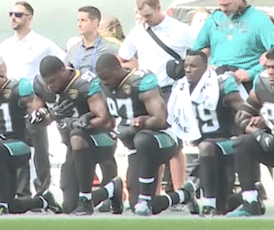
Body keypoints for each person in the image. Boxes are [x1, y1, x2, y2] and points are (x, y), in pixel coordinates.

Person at [93, 54, 195, 215]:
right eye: (101, 78)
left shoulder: (140, 80)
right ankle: (184, 194)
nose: (105, 82)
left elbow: (161, 119)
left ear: (118, 68)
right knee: (139, 207)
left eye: (107, 77)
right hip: (136, 148)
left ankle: (145, 199)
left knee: (143, 139)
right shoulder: (103, 86)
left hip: (162, 139)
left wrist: (142, 121)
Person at [0, 1, 68, 198]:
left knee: (39, 148)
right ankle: (20, 191)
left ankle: (42, 190)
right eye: (11, 14)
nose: (13, 18)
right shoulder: (7, 44)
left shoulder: (43, 43)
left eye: (19, 14)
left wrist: (47, 89)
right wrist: (2, 79)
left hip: (34, 99)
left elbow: (65, 64)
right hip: (12, 101)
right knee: (17, 145)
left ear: (29, 18)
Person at [33, 56, 122, 215]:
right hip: (74, 147)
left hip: (100, 139)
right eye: (47, 82)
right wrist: (51, 115)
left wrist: (80, 123)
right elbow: (38, 121)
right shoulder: (42, 85)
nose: (50, 86)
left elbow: (107, 121)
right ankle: (111, 189)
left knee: (76, 135)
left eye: (53, 80)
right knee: (69, 207)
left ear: (64, 71)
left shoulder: (84, 82)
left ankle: (86, 198)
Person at [0, 65, 63, 215]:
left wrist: (44, 114)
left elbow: (37, 113)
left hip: (20, 145)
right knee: (11, 205)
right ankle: (43, 201)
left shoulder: (18, 88)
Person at [167, 50, 247, 216]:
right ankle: (247, 197)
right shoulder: (180, 87)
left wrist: (244, 129)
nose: (188, 69)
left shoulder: (220, 83)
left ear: (205, 68)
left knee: (206, 147)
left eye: (193, 66)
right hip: (204, 143)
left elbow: (242, 107)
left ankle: (207, 202)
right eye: (186, 65)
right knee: (223, 206)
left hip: (227, 140)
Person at [192, 0, 274, 93]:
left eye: (226, 5)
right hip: (215, 80)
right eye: (220, 5)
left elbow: (272, 55)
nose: (223, 9)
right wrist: (204, 66)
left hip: (243, 82)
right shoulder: (214, 19)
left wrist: (251, 73)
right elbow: (195, 51)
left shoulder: (259, 19)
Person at [228, 48, 274, 216]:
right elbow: (241, 117)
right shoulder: (262, 84)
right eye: (268, 67)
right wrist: (256, 130)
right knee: (243, 143)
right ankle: (250, 201)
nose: (270, 72)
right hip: (269, 142)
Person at [66, 6, 120, 74]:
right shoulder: (74, 49)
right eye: (78, 20)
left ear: (95, 23)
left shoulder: (109, 47)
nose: (79, 24)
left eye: (83, 20)